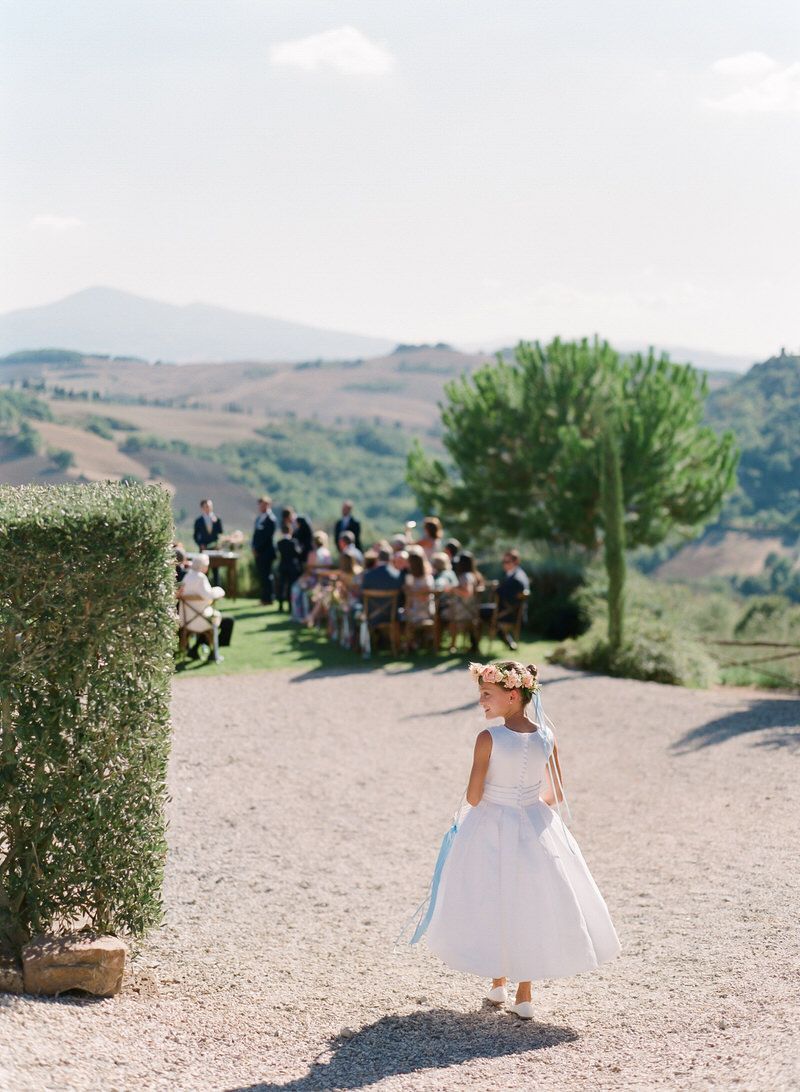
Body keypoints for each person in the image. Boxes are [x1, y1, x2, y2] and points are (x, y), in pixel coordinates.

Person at [412, 660, 620, 1018]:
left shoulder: (488, 738)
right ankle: (523, 994)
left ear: (512, 695)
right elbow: (556, 791)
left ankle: (498, 982)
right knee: (530, 900)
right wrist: (529, 803)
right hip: (535, 824)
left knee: (494, 897)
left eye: (487, 694)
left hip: (492, 824)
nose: (481, 702)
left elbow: (475, 796)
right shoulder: (547, 737)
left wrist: (497, 800)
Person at [178, 554, 226, 662]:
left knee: (213, 618)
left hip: (186, 619)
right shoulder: (200, 577)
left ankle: (195, 650)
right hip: (199, 619)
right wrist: (219, 590)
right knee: (217, 619)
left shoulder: (188, 576)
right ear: (203, 566)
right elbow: (209, 595)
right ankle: (213, 652)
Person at [442, 550, 481, 652]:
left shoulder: (466, 576)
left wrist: (452, 589)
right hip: (471, 610)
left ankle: (449, 645)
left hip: (464, 611)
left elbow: (467, 592)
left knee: (439, 615)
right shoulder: (475, 575)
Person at [360, 545, 403, 626]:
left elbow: (362, 597)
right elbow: (401, 599)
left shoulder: (368, 576)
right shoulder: (397, 576)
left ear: (378, 559)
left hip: (372, 616)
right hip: (391, 616)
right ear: (390, 560)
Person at [496, 548, 530, 650]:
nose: (504, 564)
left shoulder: (516, 579)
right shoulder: (516, 574)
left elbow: (506, 595)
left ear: (516, 562)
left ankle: (474, 646)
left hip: (509, 614)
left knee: (478, 613)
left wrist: (496, 589)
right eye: (503, 562)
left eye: (507, 561)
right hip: (510, 612)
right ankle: (509, 642)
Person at [251, 496, 277, 606]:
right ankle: (263, 598)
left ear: (268, 505)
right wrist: (253, 547)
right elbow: (256, 535)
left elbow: (267, 537)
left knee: (267, 576)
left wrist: (257, 548)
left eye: (264, 505)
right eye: (260, 505)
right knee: (262, 576)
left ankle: (269, 598)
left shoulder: (271, 519)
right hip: (258, 553)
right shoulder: (259, 518)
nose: (262, 507)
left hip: (266, 552)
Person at [275, 509, 302, 612]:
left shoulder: (279, 543)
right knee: (291, 586)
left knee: (281, 586)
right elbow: (297, 553)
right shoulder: (293, 542)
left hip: (282, 566)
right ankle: (290, 606)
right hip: (292, 567)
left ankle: (280, 605)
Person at [193, 498, 224, 585]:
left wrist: (219, 545)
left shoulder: (217, 520)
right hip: (204, 550)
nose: (209, 508)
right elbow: (195, 536)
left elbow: (221, 534)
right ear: (202, 508)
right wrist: (200, 545)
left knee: (216, 571)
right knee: (204, 571)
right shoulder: (198, 521)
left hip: (215, 550)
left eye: (210, 506)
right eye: (207, 506)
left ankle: (218, 591)